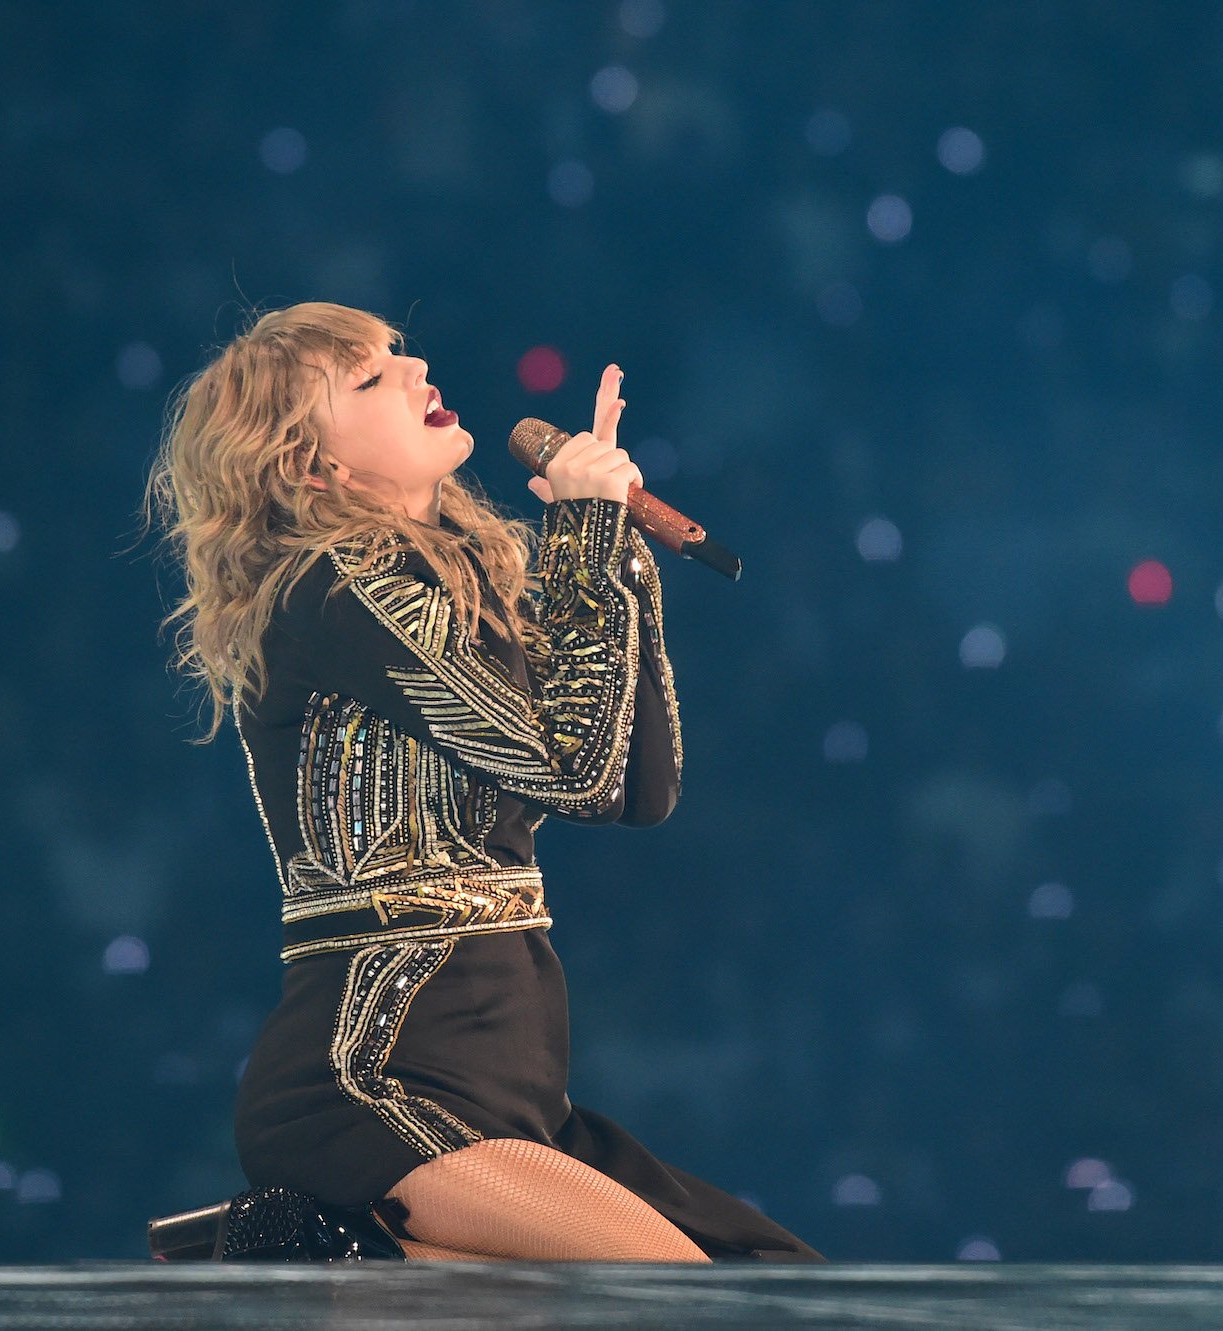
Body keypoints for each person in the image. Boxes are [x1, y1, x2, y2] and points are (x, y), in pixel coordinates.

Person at [142, 301, 822, 1262]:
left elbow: (638, 786)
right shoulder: (332, 587)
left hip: (515, 1082)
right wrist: (583, 535)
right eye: (373, 377)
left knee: (778, 1279)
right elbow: (570, 768)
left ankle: (332, 1255)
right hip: (380, 1078)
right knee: (689, 1294)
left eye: (401, 353)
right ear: (311, 463)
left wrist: (619, 552)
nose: (418, 370)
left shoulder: (459, 587)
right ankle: (341, 1228)